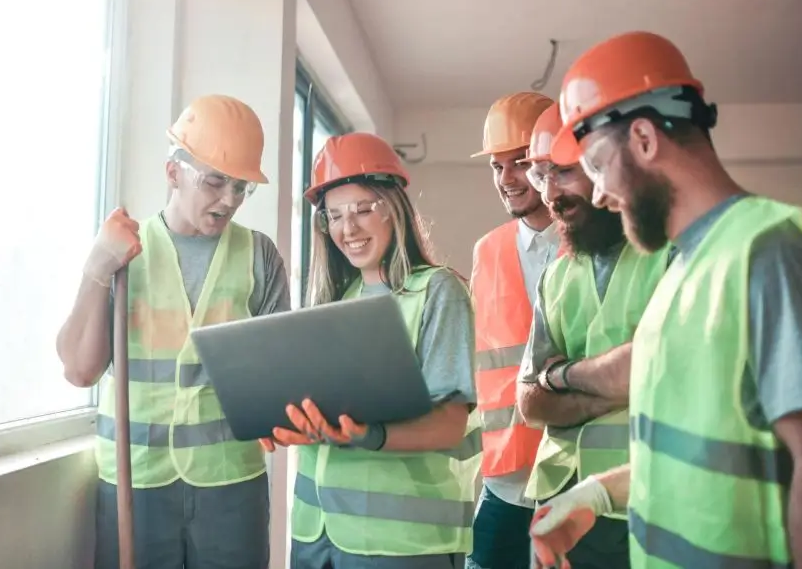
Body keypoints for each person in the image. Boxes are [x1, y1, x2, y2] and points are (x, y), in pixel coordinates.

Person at [530, 30, 802, 569]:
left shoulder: (772, 251)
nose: (597, 193)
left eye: (596, 165)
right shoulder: (679, 272)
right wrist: (598, 494)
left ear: (644, 139)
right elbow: (703, 453)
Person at [56, 94, 292, 569]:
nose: (229, 200)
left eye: (242, 187)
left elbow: (279, 379)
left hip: (231, 485)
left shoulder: (259, 256)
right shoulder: (123, 253)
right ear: (173, 173)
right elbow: (80, 371)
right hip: (136, 482)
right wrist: (96, 267)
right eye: (215, 181)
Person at [260, 131, 482, 568]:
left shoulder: (437, 291)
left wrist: (370, 435)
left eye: (364, 209)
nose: (349, 228)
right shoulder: (333, 305)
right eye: (335, 216)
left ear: (395, 208)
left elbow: (450, 424)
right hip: (316, 530)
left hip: (401, 540)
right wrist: (282, 418)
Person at [515, 102, 672, 569]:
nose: (549, 194)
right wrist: (612, 388)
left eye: (563, 173)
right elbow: (528, 402)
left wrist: (561, 376)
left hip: (648, 493)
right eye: (541, 176)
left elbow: (659, 368)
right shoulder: (558, 273)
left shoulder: (668, 252)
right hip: (563, 503)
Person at [465, 93, 560, 569]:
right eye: (497, 167)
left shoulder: (593, 244)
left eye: (519, 162)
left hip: (576, 477)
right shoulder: (486, 252)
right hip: (506, 482)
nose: (506, 179)